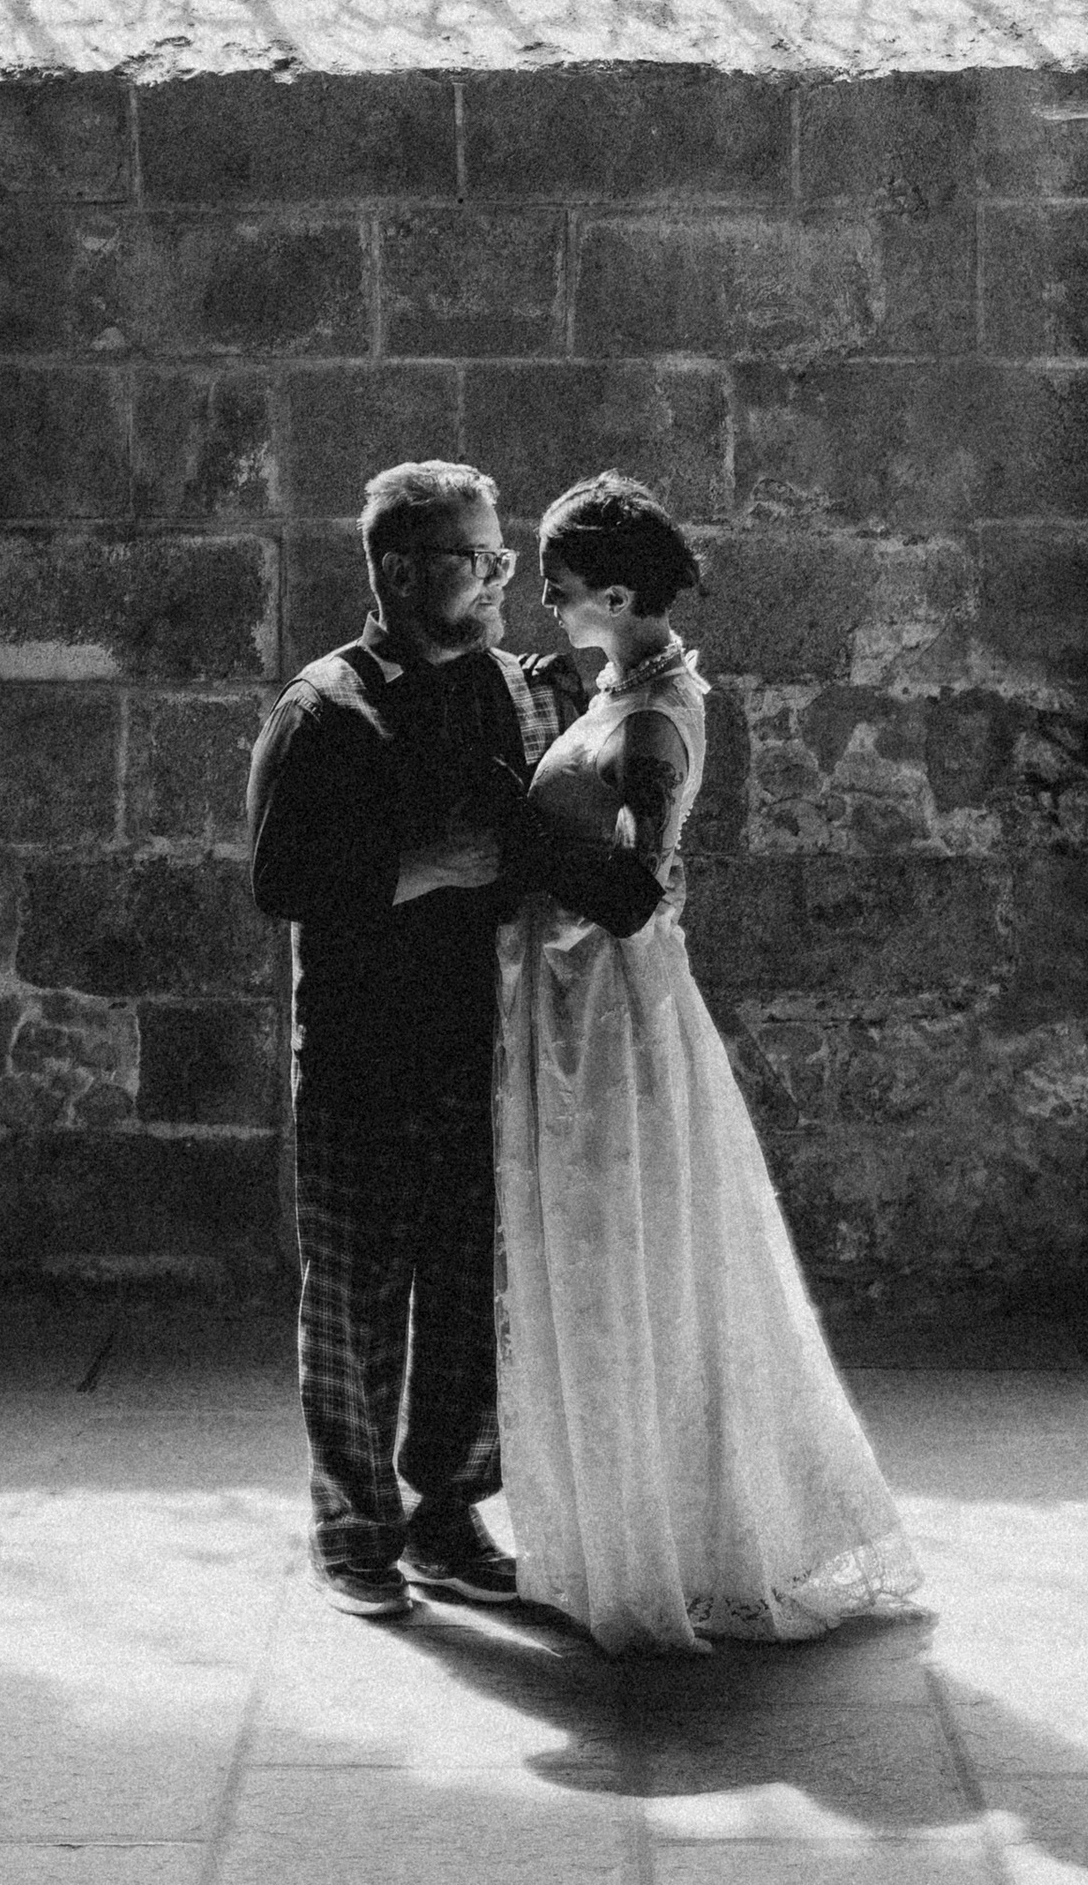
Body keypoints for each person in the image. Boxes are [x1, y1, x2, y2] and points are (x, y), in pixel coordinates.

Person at [497, 471, 921, 1653]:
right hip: (581, 995)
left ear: (621, 595)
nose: (546, 604)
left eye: (563, 589)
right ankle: (635, 1523)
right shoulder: (633, 685)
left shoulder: (644, 722)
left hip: (608, 1013)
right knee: (612, 1252)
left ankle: (662, 1541)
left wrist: (515, 830)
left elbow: (633, 889)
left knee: (619, 1255)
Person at [245, 458, 662, 1621]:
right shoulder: (322, 710)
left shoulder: (514, 687)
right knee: (357, 1300)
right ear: (396, 569)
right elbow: (276, 881)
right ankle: (351, 1528)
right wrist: (424, 866)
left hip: (486, 1039)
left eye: (498, 559)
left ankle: (446, 1514)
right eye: (475, 561)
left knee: (475, 1292)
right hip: (363, 1051)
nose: (496, 579)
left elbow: (547, 822)